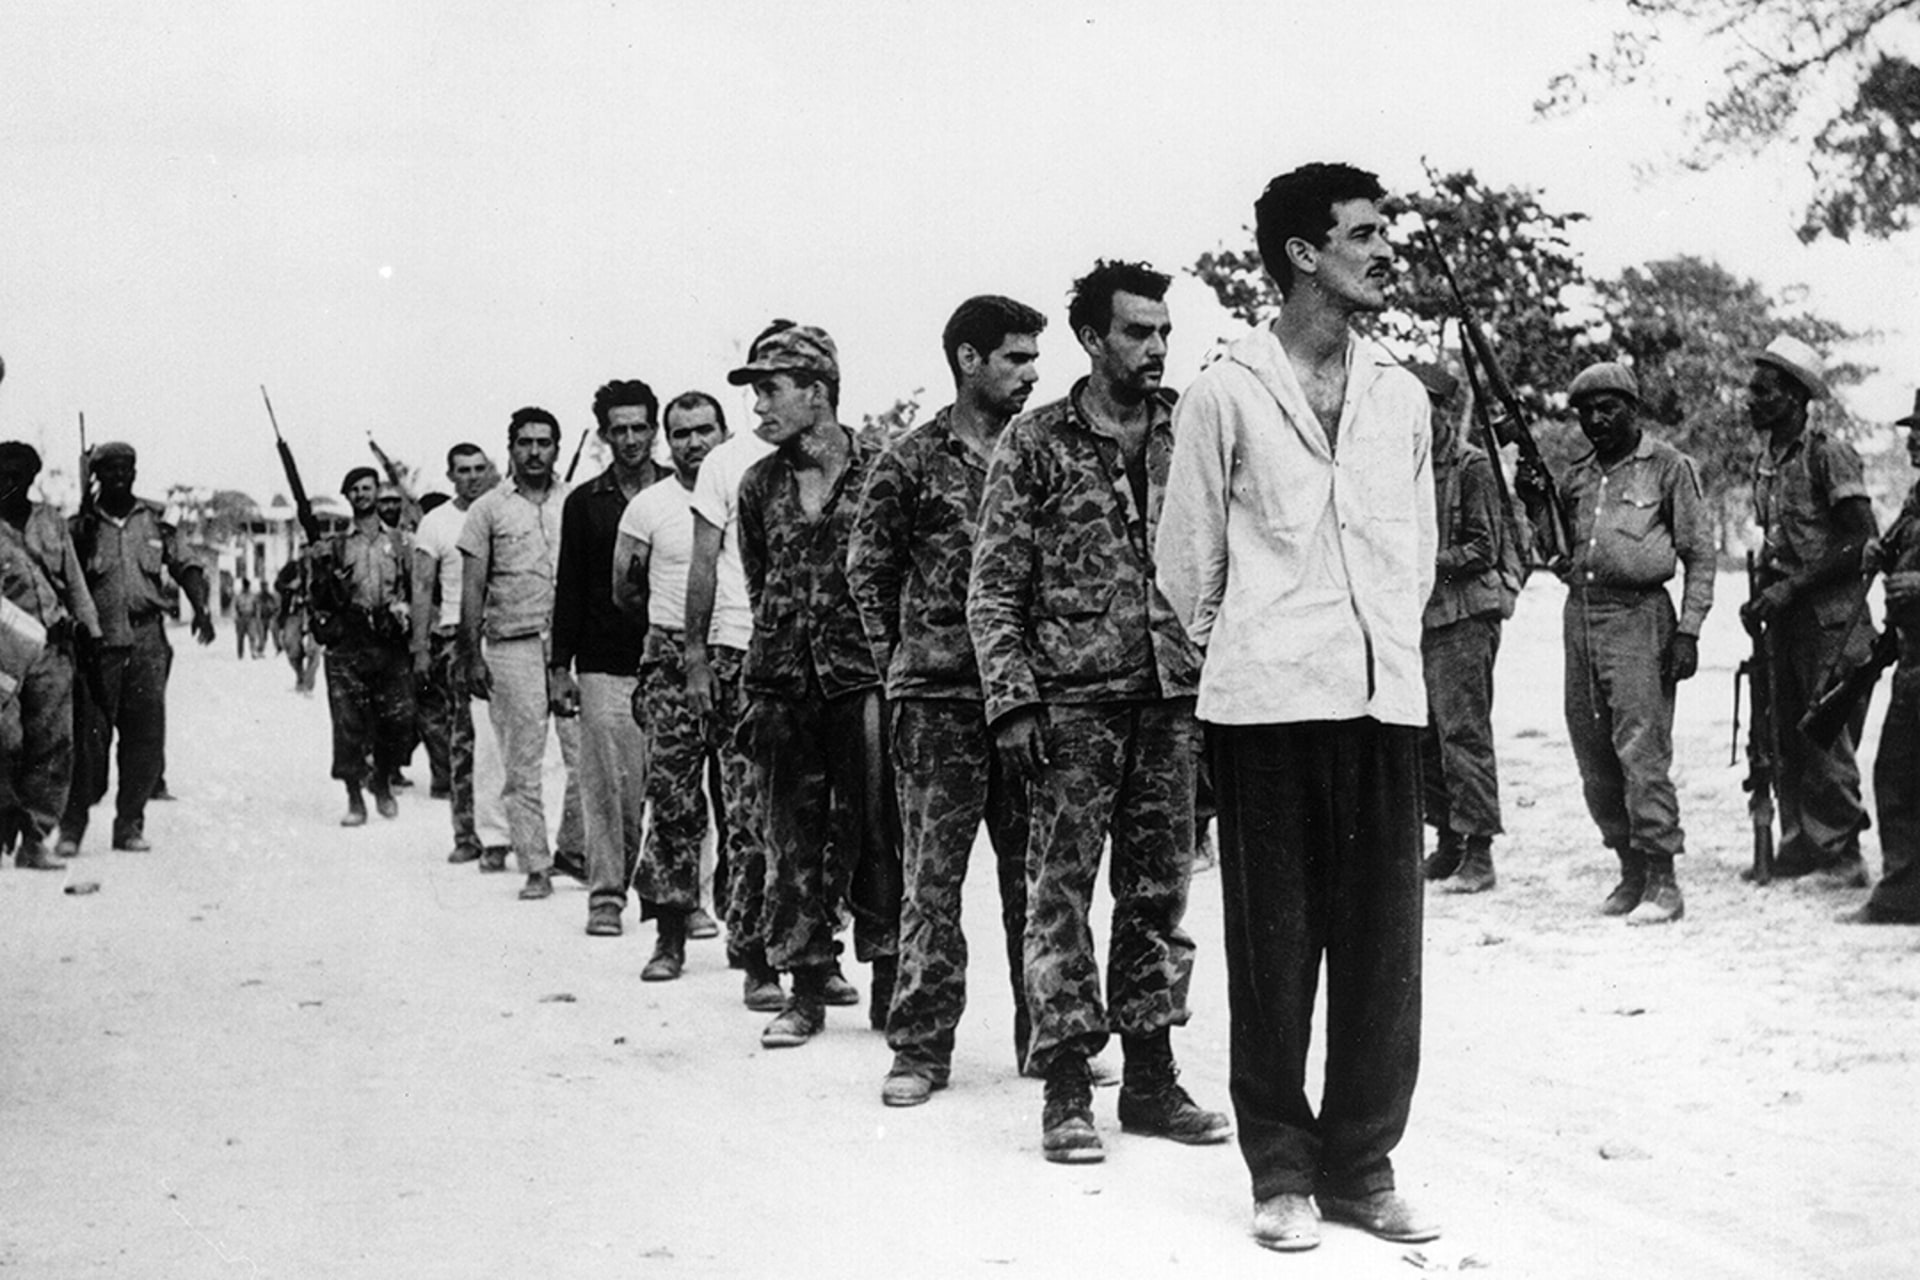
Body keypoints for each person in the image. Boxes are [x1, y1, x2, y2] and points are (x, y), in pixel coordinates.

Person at [1156, 165, 1438, 1251]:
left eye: (1384, 231)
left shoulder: (1402, 396)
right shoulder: (1228, 391)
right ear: (1302, 255)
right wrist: (1259, 640)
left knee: (1383, 951)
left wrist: (1373, 647)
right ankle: (1281, 1170)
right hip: (1265, 710)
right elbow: (1188, 567)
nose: (1383, 250)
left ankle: (1363, 1166)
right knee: (1276, 951)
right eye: (1362, 235)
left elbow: (1408, 552)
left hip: (1381, 704)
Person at [970, 260, 1225, 1166]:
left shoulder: (1190, 428)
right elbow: (992, 586)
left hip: (1171, 701)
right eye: (1136, 333)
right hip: (1070, 708)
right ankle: (1070, 1087)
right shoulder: (1034, 443)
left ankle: (1152, 1079)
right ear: (1091, 338)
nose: (1156, 348)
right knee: (1060, 894)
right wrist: (1011, 702)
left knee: (1160, 893)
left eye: (1163, 332)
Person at [848, 295, 1046, 1107]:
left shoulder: (1041, 452)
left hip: (1028, 700)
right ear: (969, 360)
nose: (1032, 374)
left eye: (1036, 360)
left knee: (1034, 880)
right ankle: (921, 1050)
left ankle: (1049, 1037)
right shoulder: (911, 460)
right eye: (1015, 359)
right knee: (931, 881)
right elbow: (869, 571)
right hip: (937, 703)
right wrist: (904, 665)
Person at [729, 320, 901, 1047]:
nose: (759, 408)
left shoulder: (886, 472)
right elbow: (759, 576)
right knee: (789, 839)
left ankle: (893, 982)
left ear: (817, 392)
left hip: (864, 680)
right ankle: (804, 987)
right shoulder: (758, 484)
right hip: (782, 686)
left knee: (881, 834)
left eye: (771, 390)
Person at [1523, 362, 1715, 925]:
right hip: (1582, 616)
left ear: (1633, 409)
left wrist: (1688, 631)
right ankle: (1629, 869)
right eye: (1585, 411)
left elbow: (1699, 555)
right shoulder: (1579, 476)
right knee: (1593, 750)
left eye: (1608, 408)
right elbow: (1555, 553)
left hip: (1640, 616)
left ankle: (1663, 879)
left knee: (1641, 747)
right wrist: (1535, 503)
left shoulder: (1669, 468)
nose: (1595, 420)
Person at [615, 391, 753, 974]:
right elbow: (623, 589)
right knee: (672, 797)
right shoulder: (648, 505)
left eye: (704, 430)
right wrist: (670, 631)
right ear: (665, 441)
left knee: (746, 803)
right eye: (680, 433)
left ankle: (751, 941)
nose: (693, 442)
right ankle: (669, 934)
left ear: (724, 431)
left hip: (740, 652)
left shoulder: (749, 488)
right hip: (671, 654)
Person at [1742, 335, 1877, 887]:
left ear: (1795, 398)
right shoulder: (1768, 460)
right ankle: (1800, 844)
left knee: (1825, 734)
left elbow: (1860, 541)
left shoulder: (1827, 453)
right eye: (1752, 390)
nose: (1751, 400)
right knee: (1784, 734)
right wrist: (1768, 593)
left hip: (1834, 622)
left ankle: (1842, 856)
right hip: (1789, 619)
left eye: (1764, 392)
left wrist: (1792, 587)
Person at [60, 442, 215, 856]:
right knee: (89, 740)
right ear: (96, 475)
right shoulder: (79, 527)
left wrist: (201, 607)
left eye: (126, 468)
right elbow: (62, 581)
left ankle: (129, 824)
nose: (120, 476)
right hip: (97, 645)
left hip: (147, 642)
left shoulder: (156, 523)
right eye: (109, 469)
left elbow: (187, 566)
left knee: (145, 738)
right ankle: (72, 826)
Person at [551, 380, 661, 939]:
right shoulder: (583, 503)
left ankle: (679, 898)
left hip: (667, 663)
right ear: (603, 435)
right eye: (619, 429)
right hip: (602, 663)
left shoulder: (679, 493)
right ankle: (606, 895)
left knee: (669, 784)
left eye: (640, 426)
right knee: (605, 786)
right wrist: (558, 669)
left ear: (655, 429)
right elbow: (569, 588)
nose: (631, 438)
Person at [458, 407, 583, 901]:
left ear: (557, 446)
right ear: (509, 448)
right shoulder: (487, 510)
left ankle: (574, 851)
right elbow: (472, 589)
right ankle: (535, 862)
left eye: (545, 442)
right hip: (512, 645)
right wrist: (470, 654)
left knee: (586, 759)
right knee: (521, 763)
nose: (535, 452)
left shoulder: (576, 501)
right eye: (525, 442)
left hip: (572, 648)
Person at [682, 395, 779, 1007]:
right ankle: (756, 957)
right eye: (761, 385)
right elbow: (703, 564)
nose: (768, 399)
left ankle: (817, 954)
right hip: (741, 652)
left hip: (824, 660)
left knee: (819, 817)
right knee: (748, 815)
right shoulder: (727, 462)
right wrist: (695, 656)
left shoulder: (847, 454)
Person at [1413, 364, 1514, 894]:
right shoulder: (1402, 466)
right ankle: (1448, 841)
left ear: (1442, 411)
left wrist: (1425, 562)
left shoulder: (1471, 466)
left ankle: (1479, 852)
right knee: (1423, 736)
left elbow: (1484, 548)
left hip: (1463, 618)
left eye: (1422, 408)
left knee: (1463, 734)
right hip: (1419, 619)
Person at [0, 442, 99, 869]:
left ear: (32, 477)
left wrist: (90, 633)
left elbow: (74, 582)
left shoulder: (51, 523)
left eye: (19, 474)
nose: (10, 481)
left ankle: (35, 837)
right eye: (2, 473)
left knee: (53, 742)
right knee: (8, 742)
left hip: (53, 649)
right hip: (4, 652)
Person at [1843, 393, 1920, 925]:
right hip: (1912, 660)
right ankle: (1902, 892)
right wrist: (1883, 554)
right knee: (1895, 772)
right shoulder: (1918, 497)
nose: (1913, 440)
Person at [309, 466, 415, 825]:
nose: (361, 495)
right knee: (348, 723)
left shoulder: (401, 542)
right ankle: (355, 798)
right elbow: (319, 598)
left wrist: (406, 615)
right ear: (348, 496)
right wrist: (320, 568)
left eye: (367, 488)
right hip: (349, 641)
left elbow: (416, 589)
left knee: (397, 719)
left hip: (389, 640)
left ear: (377, 491)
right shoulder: (336, 545)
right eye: (354, 490)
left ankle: (383, 780)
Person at [411, 443, 494, 859]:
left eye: (480, 469)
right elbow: (423, 587)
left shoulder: (502, 509)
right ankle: (466, 835)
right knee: (465, 737)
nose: (473, 477)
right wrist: (420, 647)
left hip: (502, 633)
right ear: (451, 476)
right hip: (455, 639)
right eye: (464, 470)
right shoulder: (437, 522)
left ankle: (507, 834)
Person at [274, 556, 320, 695]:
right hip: (294, 612)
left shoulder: (320, 567)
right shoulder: (292, 567)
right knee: (291, 647)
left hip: (315, 613)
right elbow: (277, 584)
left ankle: (308, 683)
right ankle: (300, 675)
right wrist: (290, 586)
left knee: (314, 649)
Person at [232, 579, 259, 659]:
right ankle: (240, 654)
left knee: (252, 636)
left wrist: (256, 618)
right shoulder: (238, 596)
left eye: (247, 586)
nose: (246, 588)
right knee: (240, 637)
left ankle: (253, 652)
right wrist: (236, 618)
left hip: (251, 618)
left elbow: (256, 607)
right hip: (241, 617)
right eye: (245, 586)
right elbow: (234, 607)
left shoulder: (253, 596)